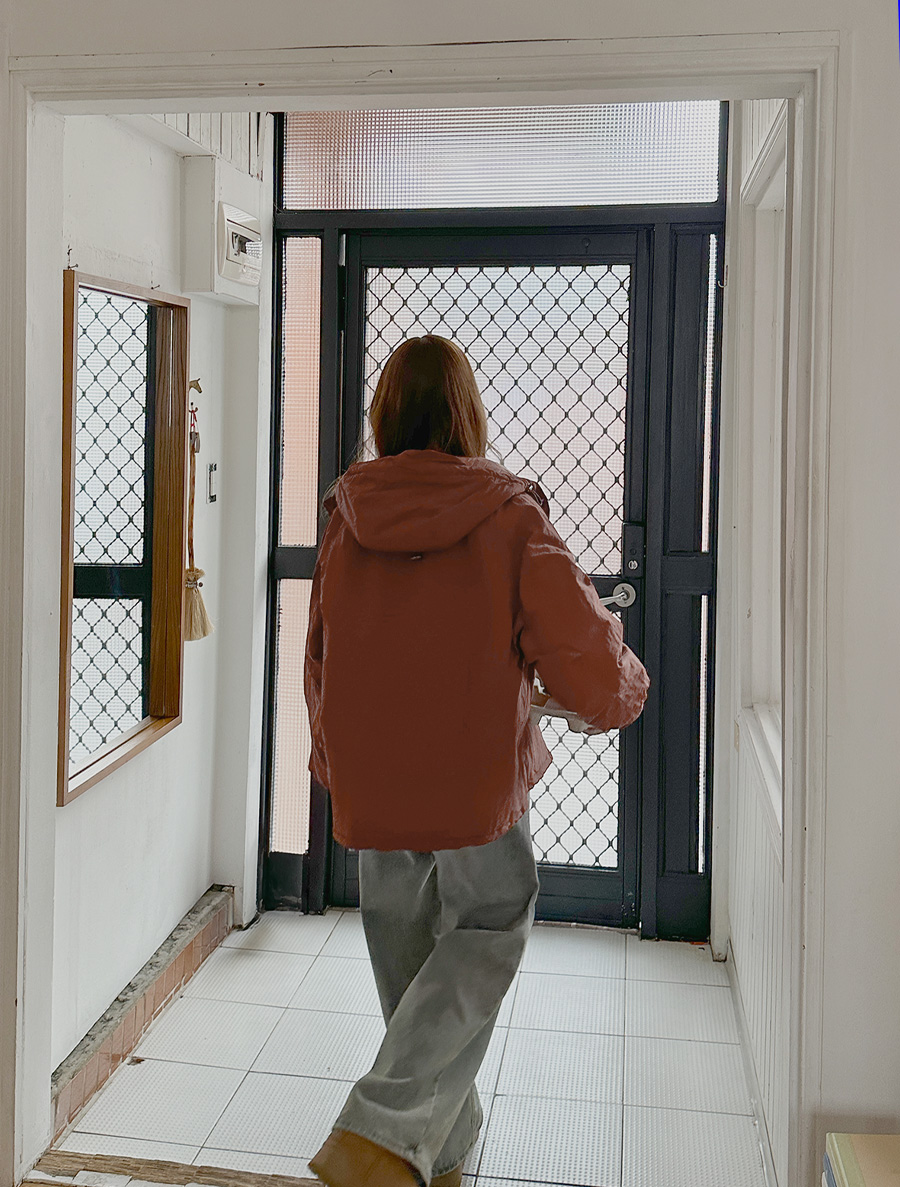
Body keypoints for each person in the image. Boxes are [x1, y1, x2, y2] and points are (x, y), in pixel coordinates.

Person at [304, 334, 650, 1187]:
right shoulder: (508, 515)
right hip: (473, 778)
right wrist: (625, 689)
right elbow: (581, 647)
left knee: (407, 948)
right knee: (490, 923)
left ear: (384, 414)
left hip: (375, 779)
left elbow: (320, 654)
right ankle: (382, 1130)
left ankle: (441, 1150)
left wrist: (333, 764)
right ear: (468, 414)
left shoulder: (347, 515)